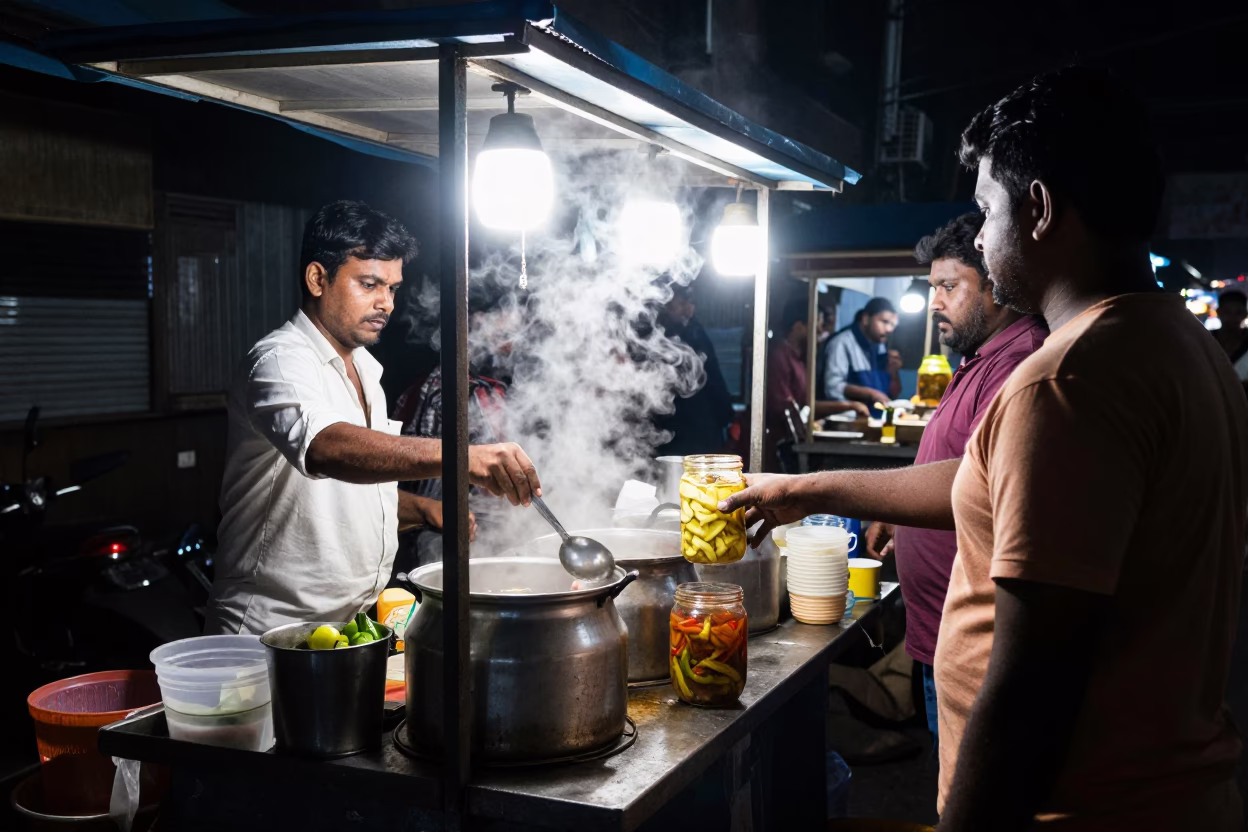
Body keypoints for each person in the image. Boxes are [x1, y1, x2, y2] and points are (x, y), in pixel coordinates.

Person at [724, 67, 1248, 830]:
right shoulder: (1179, 345)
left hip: (1079, 807)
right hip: (1172, 789)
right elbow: (989, 483)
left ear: (1037, 211)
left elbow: (1033, 680)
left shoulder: (1066, 382)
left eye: (986, 211)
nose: (981, 239)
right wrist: (802, 489)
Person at [207, 201, 542, 635]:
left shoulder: (366, 368)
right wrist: (465, 457)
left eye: (393, 288)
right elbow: (327, 448)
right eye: (369, 284)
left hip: (348, 629)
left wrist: (422, 509)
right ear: (317, 279)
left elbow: (332, 495)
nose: (385, 303)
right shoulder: (279, 361)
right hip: (267, 632)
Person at [864, 211, 1047, 742]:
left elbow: (980, 482)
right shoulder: (977, 357)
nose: (935, 302)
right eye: (932, 287)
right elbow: (956, 458)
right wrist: (897, 513)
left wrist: (809, 490)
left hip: (978, 646)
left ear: (997, 285)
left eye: (949, 286)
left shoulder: (1019, 363)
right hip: (939, 632)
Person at [766, 297, 868, 469]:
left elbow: (806, 404)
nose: (821, 332)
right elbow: (787, 408)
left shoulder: (801, 359)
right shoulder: (778, 356)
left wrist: (849, 406)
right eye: (818, 326)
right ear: (799, 327)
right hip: (775, 447)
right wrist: (849, 405)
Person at [654, 282, 735, 456]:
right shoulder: (655, 338)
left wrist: (726, 414)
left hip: (702, 432)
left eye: (691, 304)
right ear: (665, 305)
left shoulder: (695, 332)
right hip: (673, 434)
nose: (688, 310)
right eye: (682, 304)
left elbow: (714, 378)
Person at [822, 297, 902, 406]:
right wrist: (870, 394)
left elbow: (893, 394)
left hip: (877, 420)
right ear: (866, 319)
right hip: (848, 419)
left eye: (893, 325)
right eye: (884, 322)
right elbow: (833, 387)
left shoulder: (881, 347)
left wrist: (894, 373)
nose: (889, 329)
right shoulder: (842, 343)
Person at [1213, 290, 1248, 393]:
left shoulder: (1207, 341)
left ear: (1244, 314)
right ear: (1219, 312)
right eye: (1227, 312)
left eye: (1238, 313)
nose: (1232, 318)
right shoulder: (1205, 341)